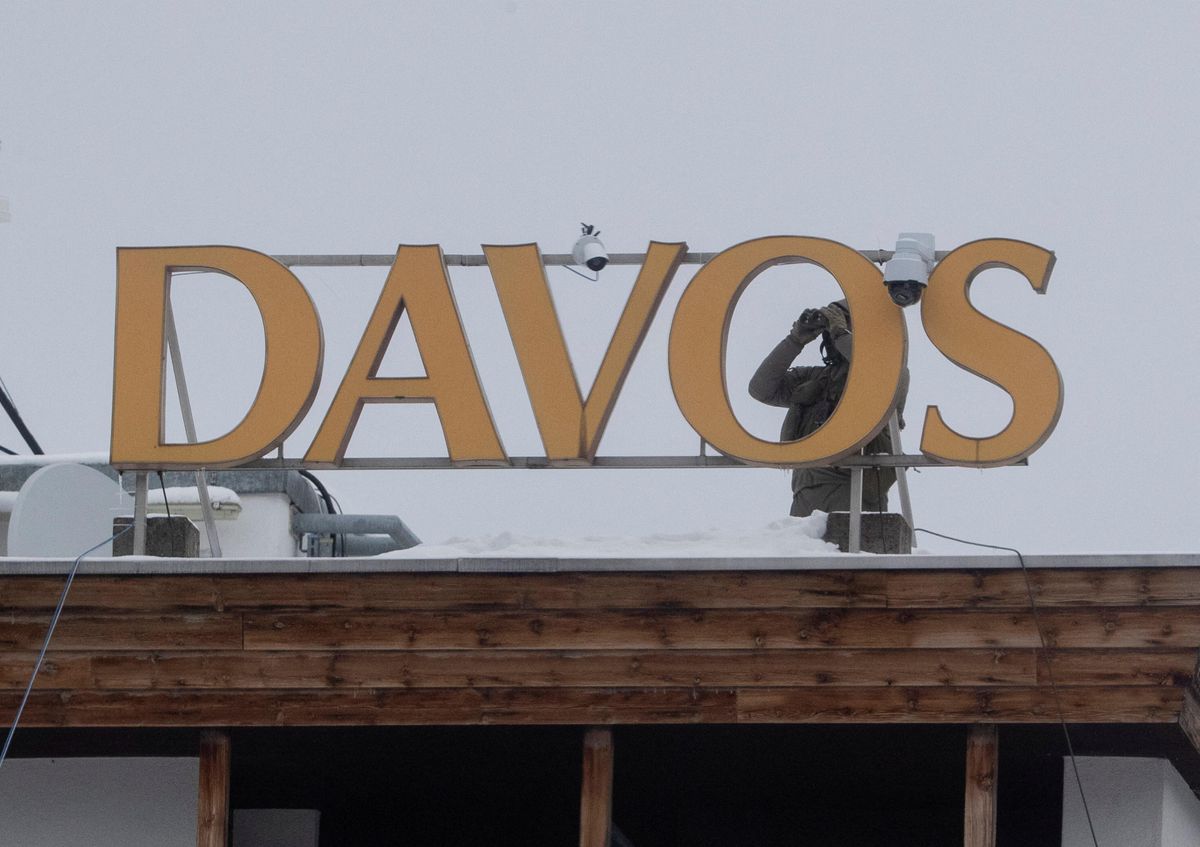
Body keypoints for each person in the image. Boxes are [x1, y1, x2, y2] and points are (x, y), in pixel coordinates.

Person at [748, 300, 908, 517]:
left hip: (856, 490)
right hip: (806, 493)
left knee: (853, 547)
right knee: (806, 549)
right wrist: (795, 340)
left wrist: (840, 333)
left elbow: (873, 371)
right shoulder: (818, 378)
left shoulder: (891, 372)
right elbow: (761, 389)